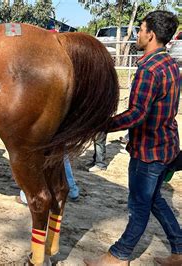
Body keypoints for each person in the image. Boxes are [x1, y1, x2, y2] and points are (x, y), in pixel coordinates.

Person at [85, 11, 181, 266]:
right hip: (168, 146)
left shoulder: (148, 70)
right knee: (155, 200)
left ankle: (119, 255)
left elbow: (136, 115)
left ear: (150, 34)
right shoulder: (170, 64)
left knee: (139, 206)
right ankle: (180, 250)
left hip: (148, 151)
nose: (137, 34)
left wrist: (102, 124)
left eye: (140, 29)